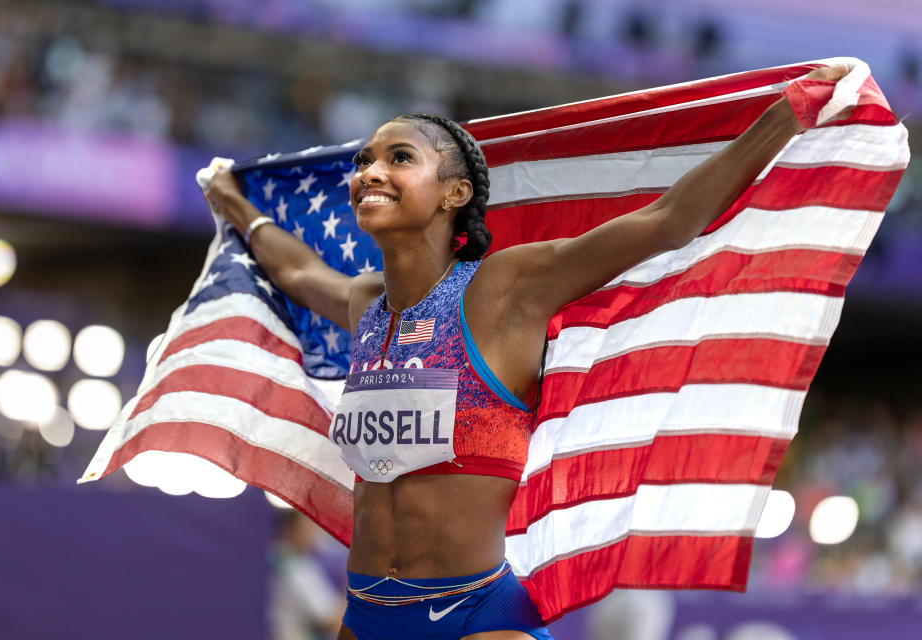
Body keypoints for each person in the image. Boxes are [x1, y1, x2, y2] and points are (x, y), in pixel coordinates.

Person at [204, 65, 852, 640]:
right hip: (368, 613)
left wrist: (784, 116)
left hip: (475, 618)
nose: (370, 171)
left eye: (398, 157)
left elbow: (669, 220)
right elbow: (297, 275)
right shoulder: (366, 304)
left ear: (454, 194)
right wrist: (234, 204)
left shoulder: (505, 290)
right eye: (365, 160)